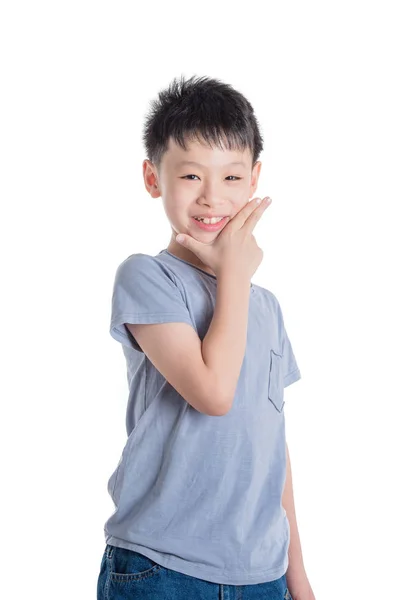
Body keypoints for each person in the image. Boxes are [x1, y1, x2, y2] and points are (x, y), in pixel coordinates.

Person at [97, 75, 314, 600]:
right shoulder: (147, 277)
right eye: (191, 175)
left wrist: (298, 576)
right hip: (162, 570)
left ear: (255, 177)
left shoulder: (265, 307)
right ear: (153, 178)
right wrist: (235, 274)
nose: (212, 197)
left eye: (233, 177)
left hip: (262, 575)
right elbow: (213, 394)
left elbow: (271, 447)